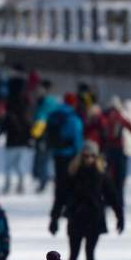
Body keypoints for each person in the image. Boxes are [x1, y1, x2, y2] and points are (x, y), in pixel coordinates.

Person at [63, 141, 123, 260]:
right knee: (73, 254)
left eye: (91, 155)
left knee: (90, 253)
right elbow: (61, 196)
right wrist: (55, 217)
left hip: (94, 219)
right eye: (85, 155)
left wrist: (120, 216)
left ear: (96, 157)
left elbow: (113, 196)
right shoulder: (73, 173)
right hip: (76, 217)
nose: (88, 158)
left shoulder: (101, 174)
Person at [44, 95, 84, 234]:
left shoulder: (54, 115)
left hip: (57, 156)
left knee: (60, 187)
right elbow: (78, 139)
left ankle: (54, 218)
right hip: (71, 157)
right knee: (72, 188)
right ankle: (69, 215)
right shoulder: (73, 118)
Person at [1, 94, 31, 195]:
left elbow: (2, 129)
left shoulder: (9, 116)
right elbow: (29, 130)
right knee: (19, 166)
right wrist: (29, 142)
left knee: (8, 166)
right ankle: (21, 185)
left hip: (11, 144)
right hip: (22, 145)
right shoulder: (25, 115)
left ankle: (7, 185)